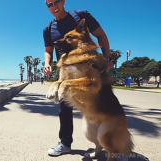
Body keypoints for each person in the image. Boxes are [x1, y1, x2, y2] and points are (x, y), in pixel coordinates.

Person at [42, 0, 114, 156]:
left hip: (89, 67)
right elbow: (48, 50)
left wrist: (106, 58)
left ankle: (112, 145)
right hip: (68, 69)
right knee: (65, 108)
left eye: (56, 2)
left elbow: (101, 35)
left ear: (63, 1)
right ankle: (65, 143)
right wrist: (47, 63)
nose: (53, 7)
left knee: (102, 107)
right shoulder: (48, 29)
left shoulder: (81, 15)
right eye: (49, 4)